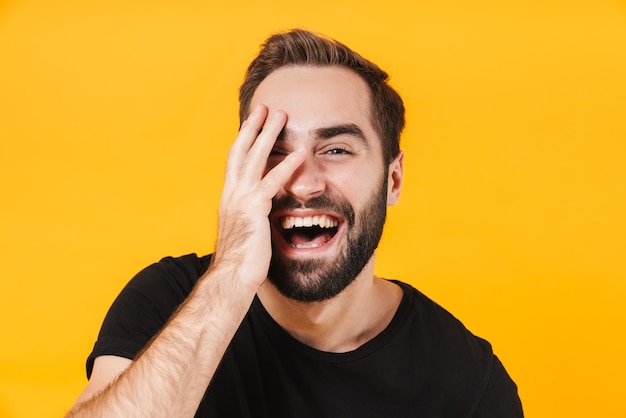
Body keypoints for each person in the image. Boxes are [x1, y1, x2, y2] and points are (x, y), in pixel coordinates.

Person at [66, 29, 523, 417]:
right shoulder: (167, 300)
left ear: (393, 179)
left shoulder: (467, 379)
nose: (301, 185)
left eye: (337, 149)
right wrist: (229, 278)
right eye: (274, 152)